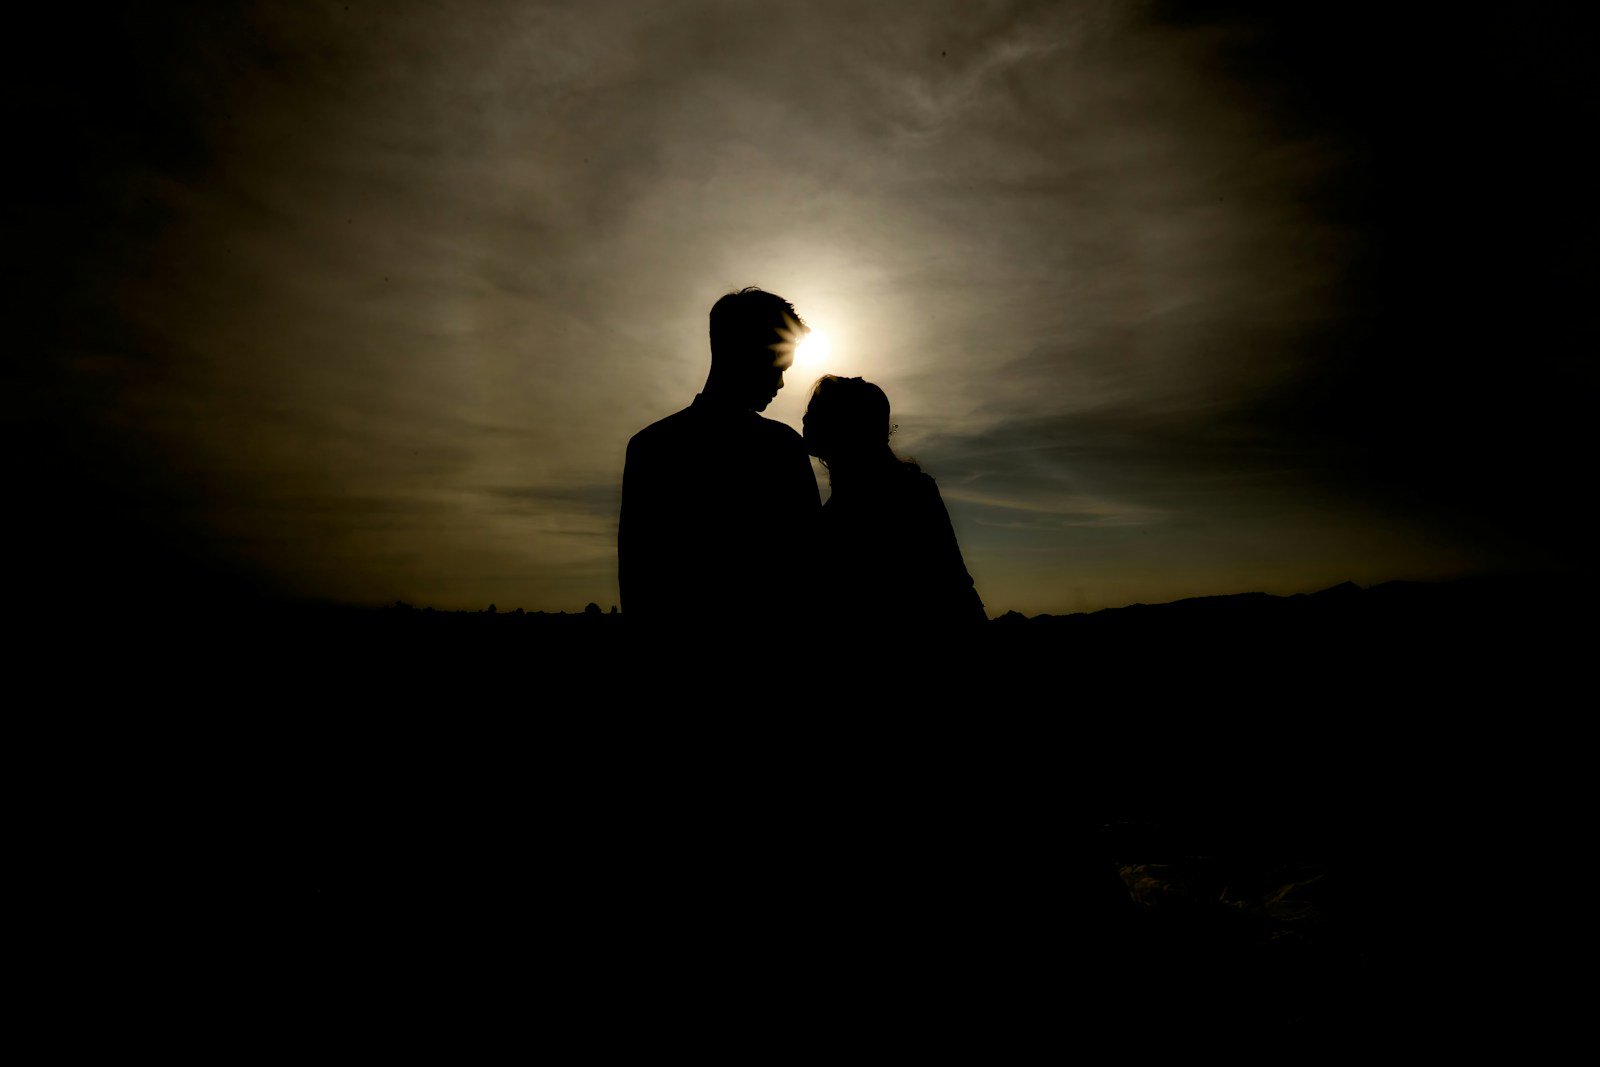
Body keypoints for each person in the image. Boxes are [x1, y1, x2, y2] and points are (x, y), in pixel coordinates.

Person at [618, 288, 820, 629]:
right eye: (779, 366)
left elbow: (637, 581)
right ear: (745, 353)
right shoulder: (781, 449)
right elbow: (811, 570)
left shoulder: (651, 447)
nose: (782, 383)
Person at [801, 375, 986, 629]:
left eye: (814, 412)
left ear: (846, 424)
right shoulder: (909, 490)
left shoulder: (908, 494)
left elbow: (952, 586)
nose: (805, 419)